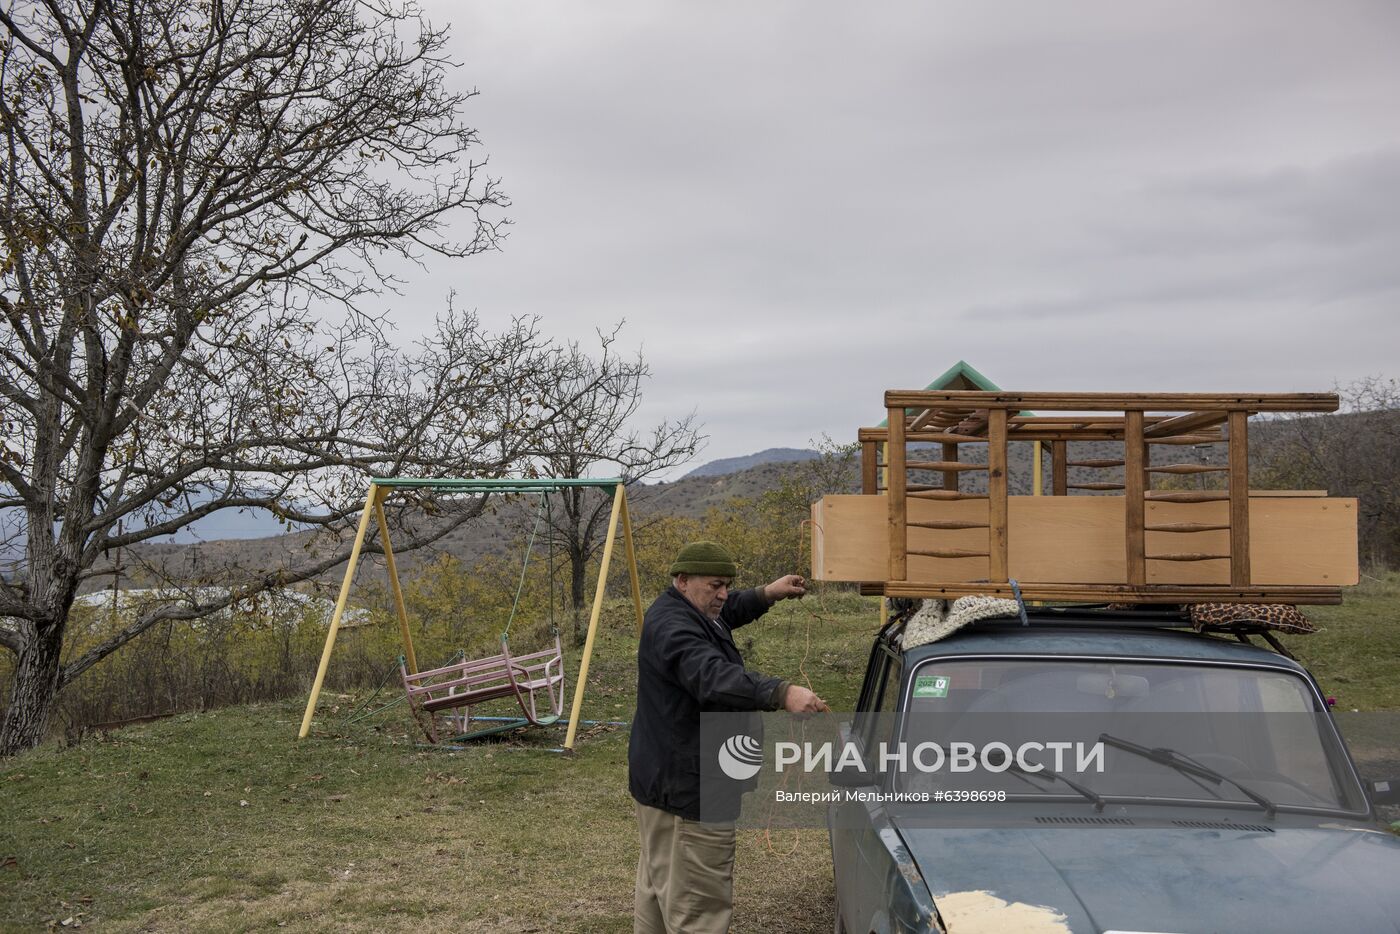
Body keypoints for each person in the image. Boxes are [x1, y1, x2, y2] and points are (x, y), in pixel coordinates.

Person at [629, 541, 828, 934]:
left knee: (660, 889)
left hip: (665, 782)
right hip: (692, 791)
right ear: (683, 581)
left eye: (727, 585)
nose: (723, 594)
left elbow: (727, 612)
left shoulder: (688, 609)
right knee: (698, 909)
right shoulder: (674, 628)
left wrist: (767, 594)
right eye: (715, 585)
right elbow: (712, 676)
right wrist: (781, 693)